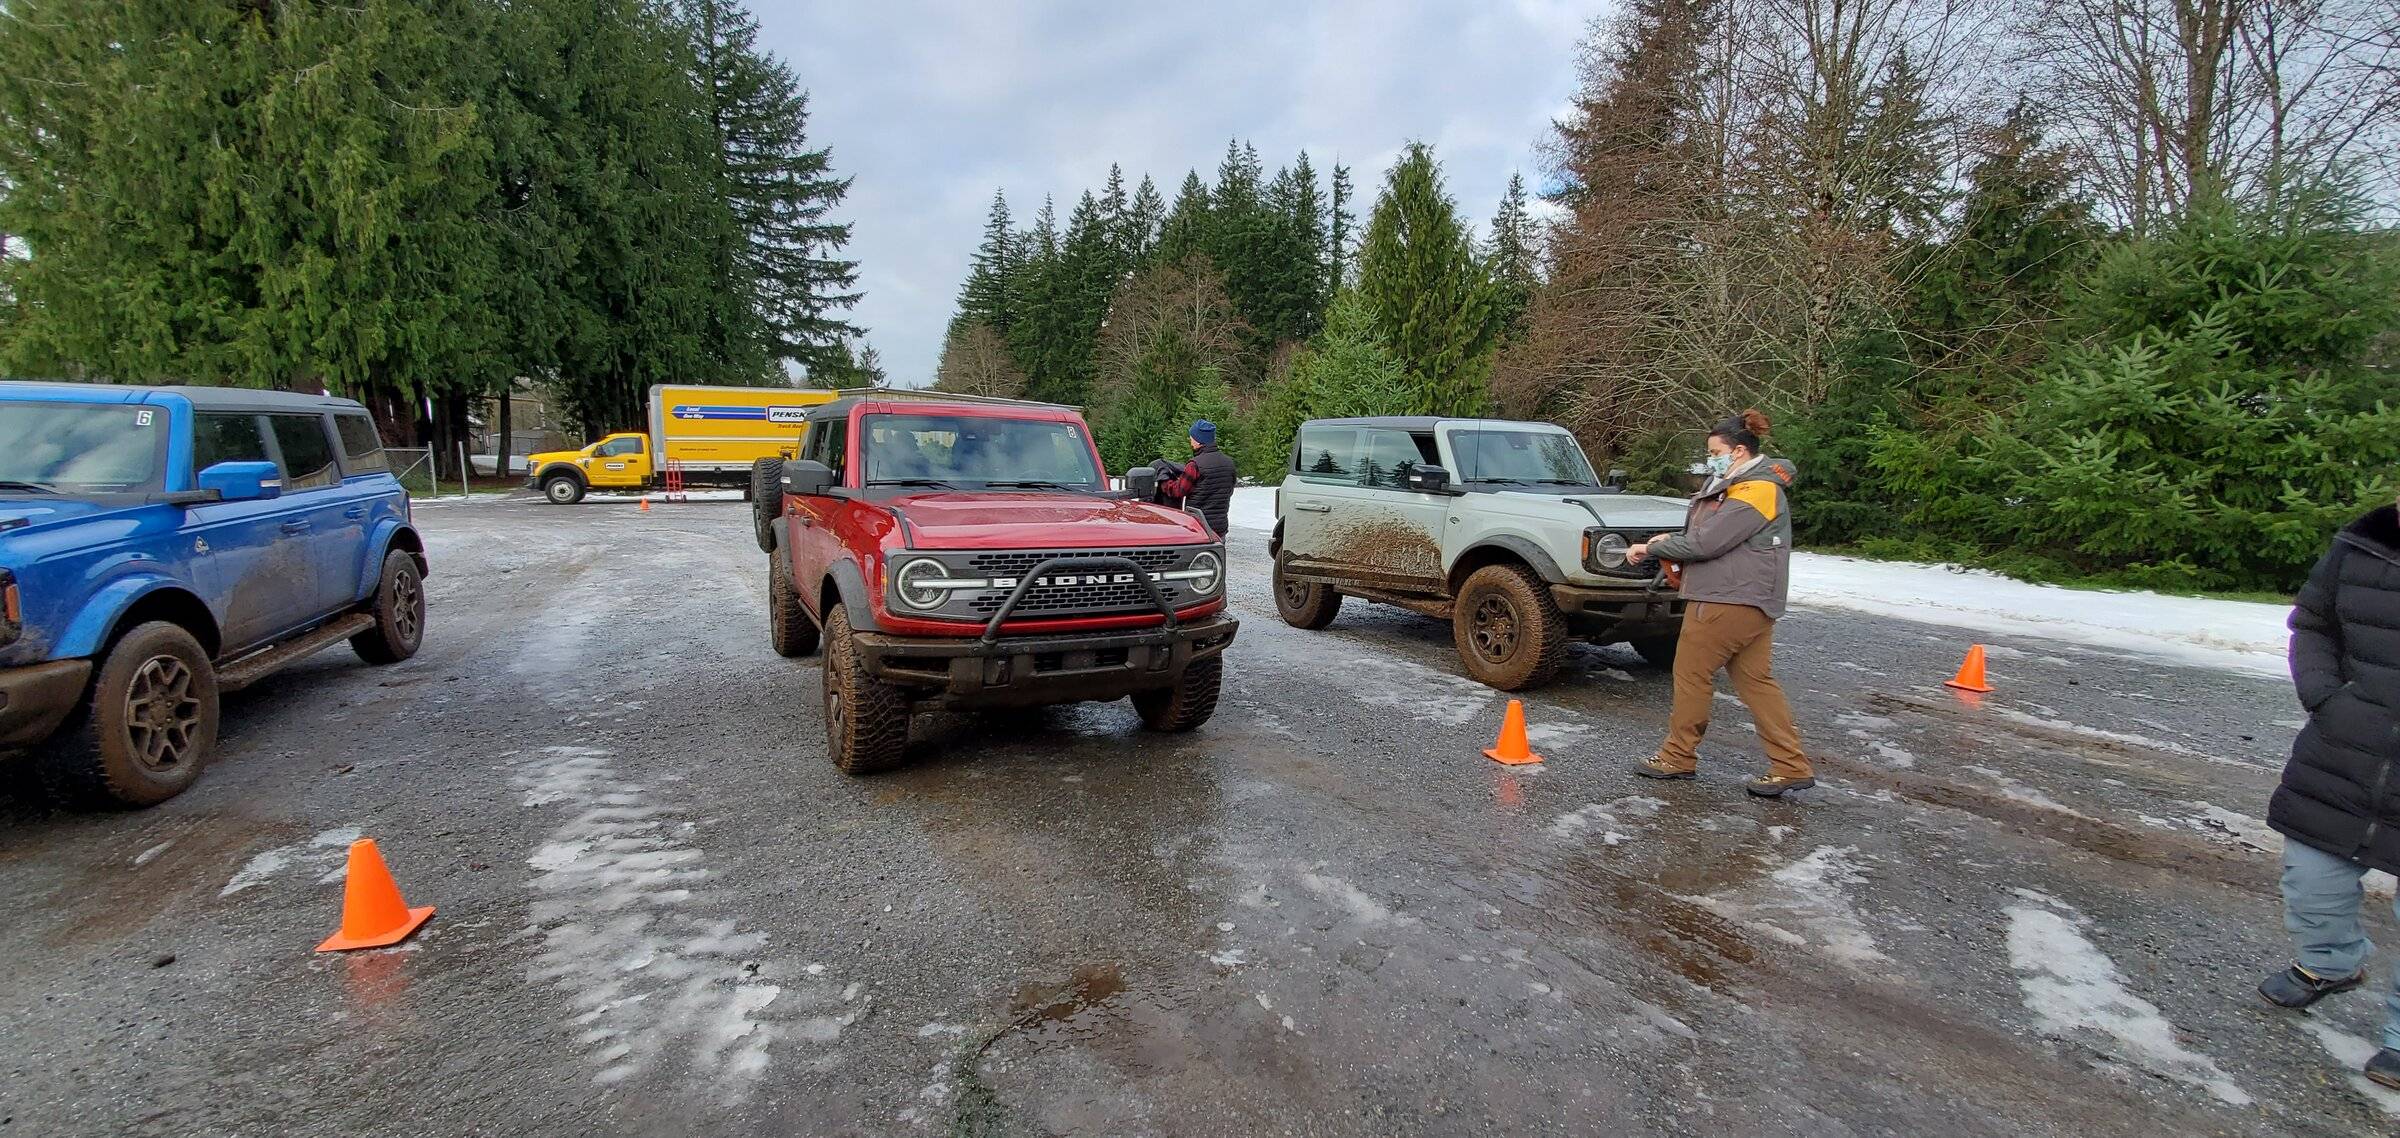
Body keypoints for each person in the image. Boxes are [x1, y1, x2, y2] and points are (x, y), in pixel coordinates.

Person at [2258, 487, 2400, 1089]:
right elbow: (2313, 623)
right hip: (2344, 754)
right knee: (2311, 881)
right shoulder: (2364, 543)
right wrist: (2325, 697)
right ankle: (2332, 964)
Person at [1626, 410, 1812, 798]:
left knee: (1692, 674)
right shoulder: (1740, 483)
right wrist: (1670, 537)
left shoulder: (1755, 489)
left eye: (1715, 451)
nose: (1710, 458)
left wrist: (1652, 547)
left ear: (1739, 451)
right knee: (1756, 681)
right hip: (1748, 598)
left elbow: (1707, 544)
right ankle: (1790, 765)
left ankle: (1678, 756)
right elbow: (1708, 532)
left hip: (1728, 599)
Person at [1155, 419, 1236, 537]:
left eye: (1192, 438)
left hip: (1199, 526)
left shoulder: (1195, 465)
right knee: (1216, 555)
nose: (1190, 441)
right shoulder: (1229, 462)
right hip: (1220, 527)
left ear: (1199, 441)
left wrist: (1164, 482)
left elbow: (1178, 491)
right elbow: (1229, 489)